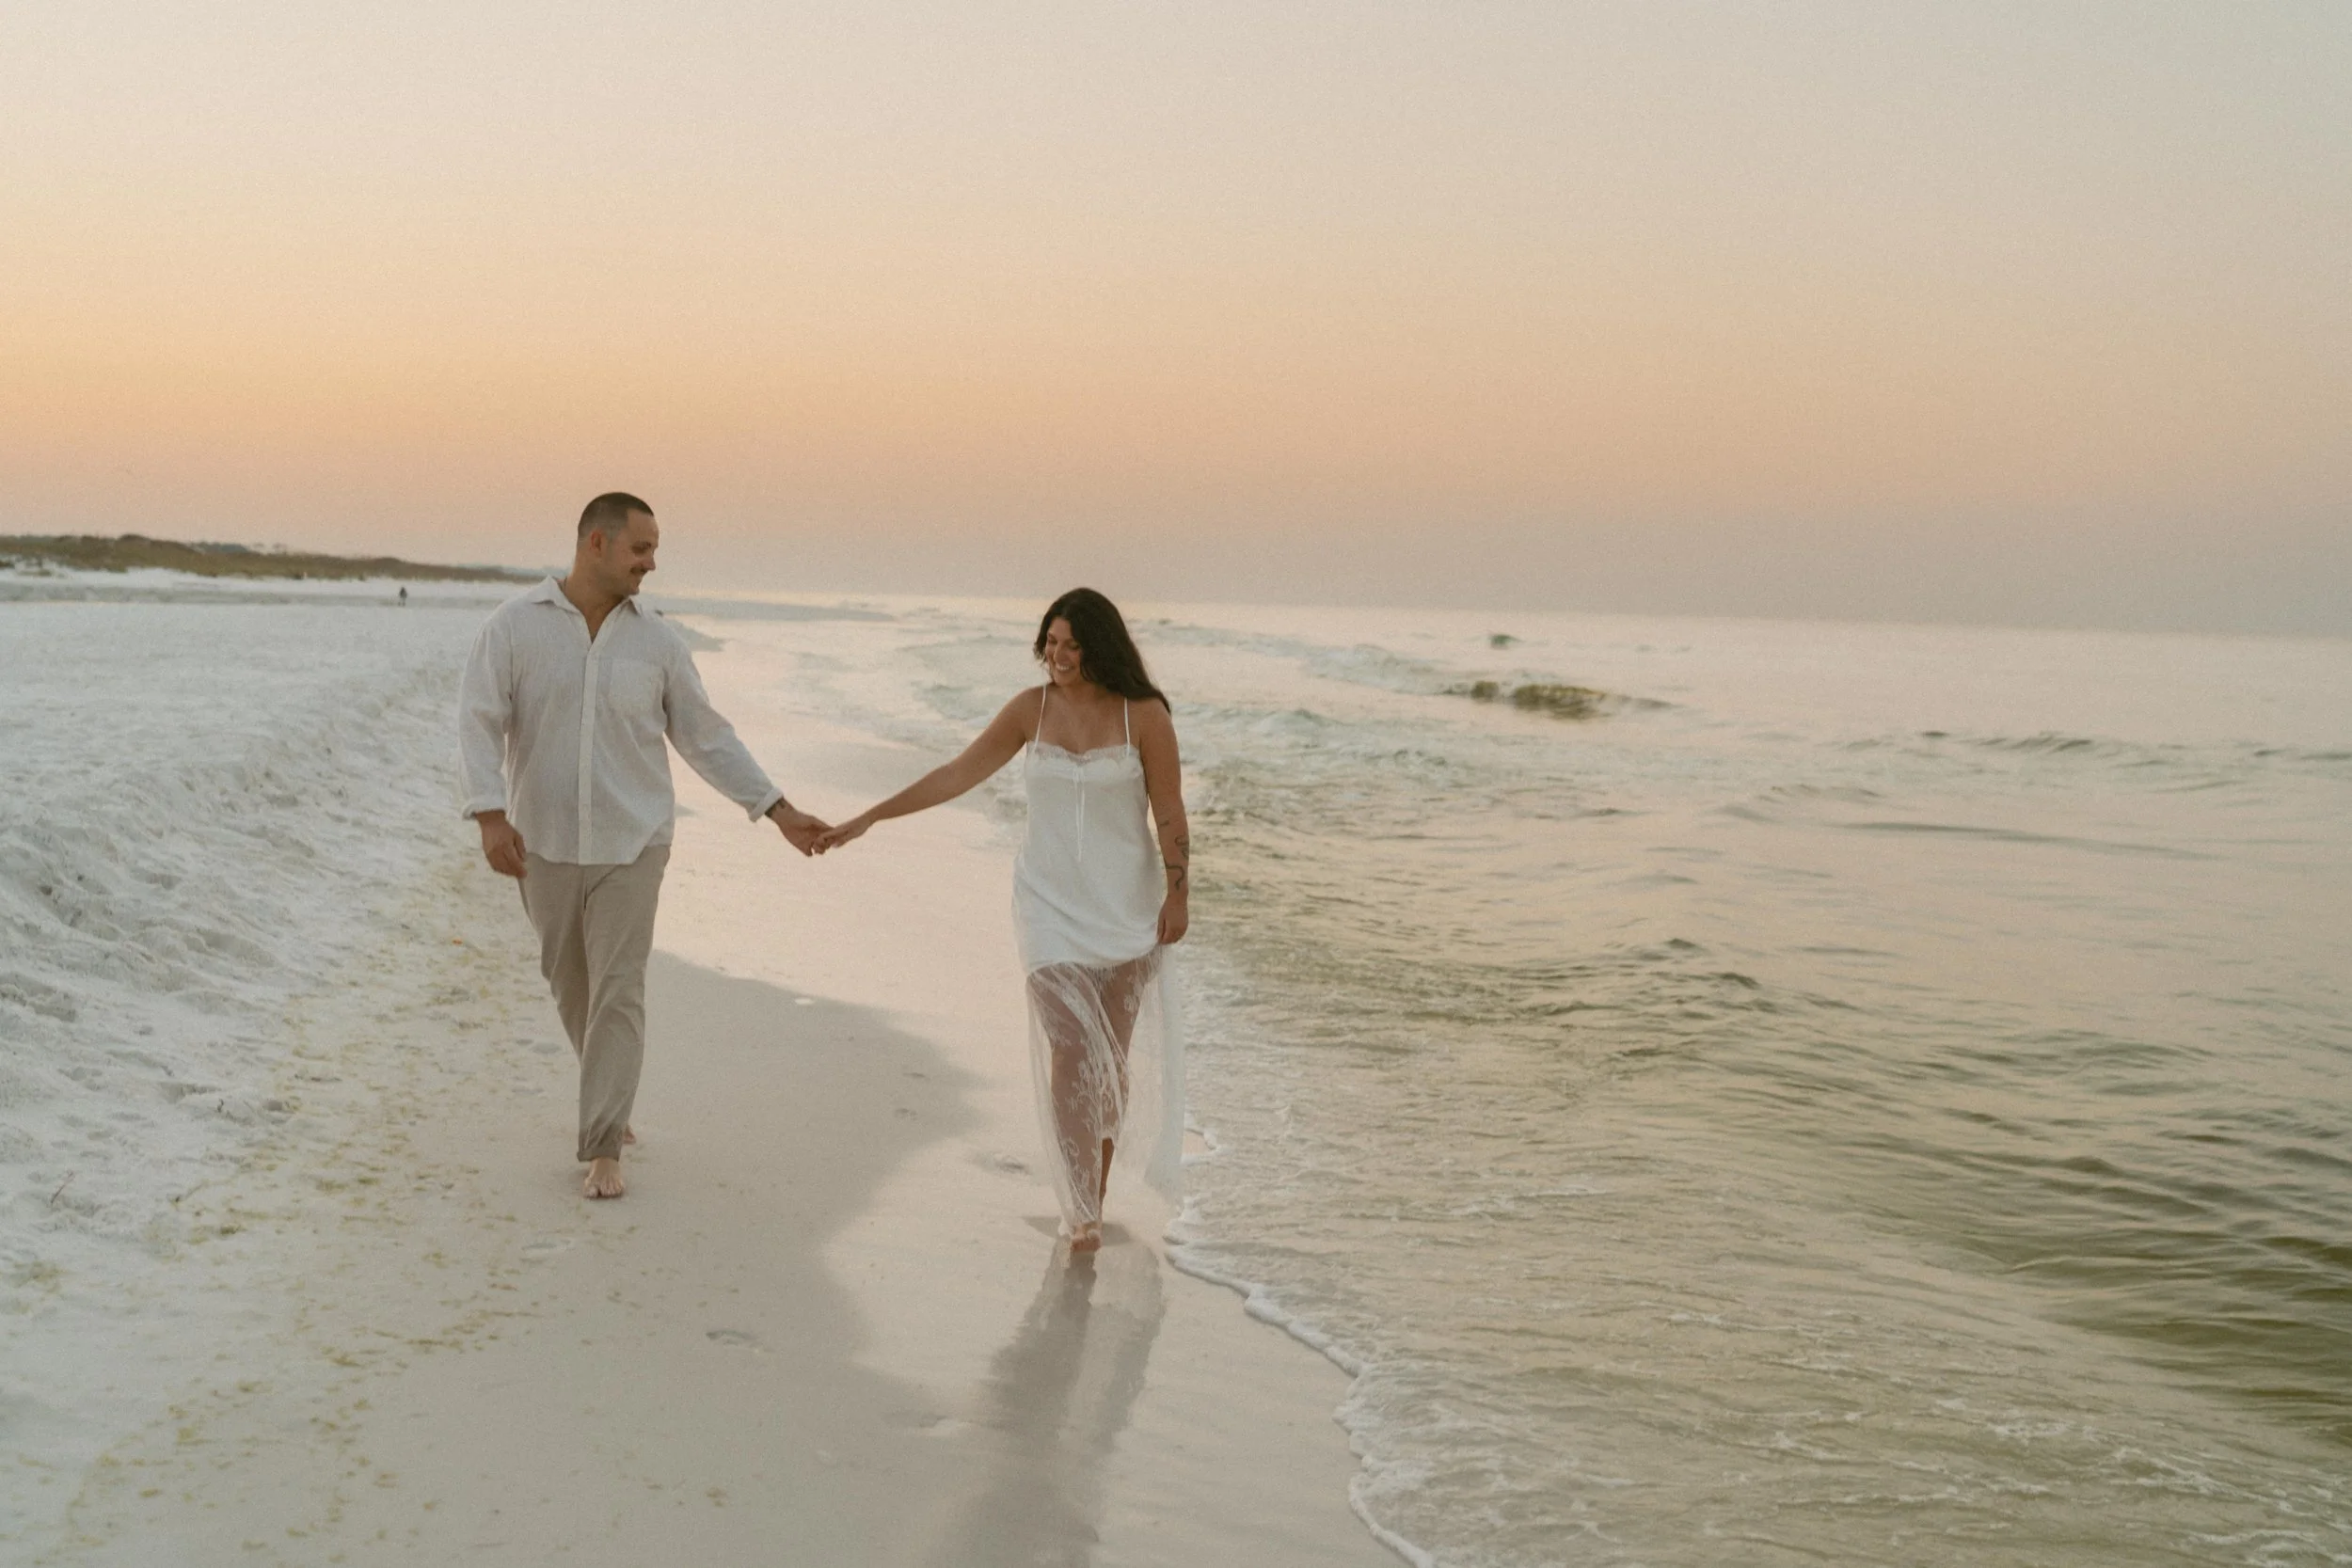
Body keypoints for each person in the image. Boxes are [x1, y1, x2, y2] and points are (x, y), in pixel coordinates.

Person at [456, 493, 830, 1198]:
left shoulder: (659, 643)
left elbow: (706, 736)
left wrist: (776, 808)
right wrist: (489, 815)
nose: (651, 563)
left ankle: (604, 1143)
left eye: (654, 549)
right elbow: (478, 722)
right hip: (545, 842)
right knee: (572, 984)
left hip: (635, 841)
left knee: (620, 989)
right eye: (642, 548)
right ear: (596, 543)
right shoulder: (512, 629)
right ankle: (611, 1090)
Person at [818, 589, 1188, 1251]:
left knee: (1110, 1056)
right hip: (1048, 904)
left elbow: (1169, 811)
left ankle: (1092, 1196)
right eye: (1050, 642)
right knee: (1072, 1045)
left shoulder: (1145, 716)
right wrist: (873, 814)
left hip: (1126, 908)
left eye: (1071, 644)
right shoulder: (1030, 710)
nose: (1058, 655)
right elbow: (957, 772)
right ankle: (1080, 1212)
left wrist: (1179, 893)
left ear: (1100, 646)